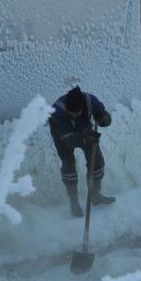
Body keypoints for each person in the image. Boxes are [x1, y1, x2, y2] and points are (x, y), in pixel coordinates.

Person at [48, 86, 115, 217]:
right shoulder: (57, 111)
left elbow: (107, 119)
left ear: (82, 106)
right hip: (61, 133)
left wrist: (103, 118)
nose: (74, 115)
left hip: (84, 128)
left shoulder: (91, 101)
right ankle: (74, 202)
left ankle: (95, 195)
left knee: (97, 161)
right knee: (68, 164)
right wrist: (85, 139)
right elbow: (67, 141)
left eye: (76, 113)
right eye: (71, 113)